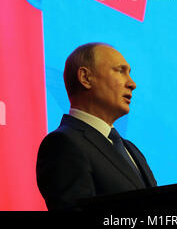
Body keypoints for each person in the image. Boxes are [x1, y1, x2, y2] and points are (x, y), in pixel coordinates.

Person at [36, 43, 157, 210]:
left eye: (129, 73)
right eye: (120, 71)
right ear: (86, 78)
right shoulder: (63, 143)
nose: (132, 84)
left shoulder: (132, 150)